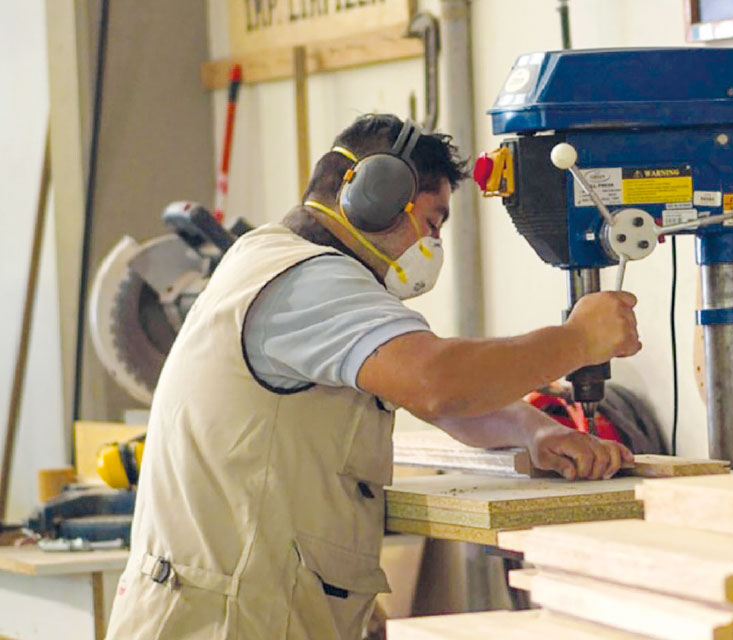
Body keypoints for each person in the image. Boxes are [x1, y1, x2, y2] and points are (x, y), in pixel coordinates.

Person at [105, 114, 641, 639]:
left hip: (237, 608)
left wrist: (532, 430)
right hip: (230, 621)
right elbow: (438, 382)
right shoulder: (308, 280)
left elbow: (436, 397)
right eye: (431, 222)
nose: (429, 246)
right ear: (376, 194)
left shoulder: (270, 259)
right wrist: (578, 340)